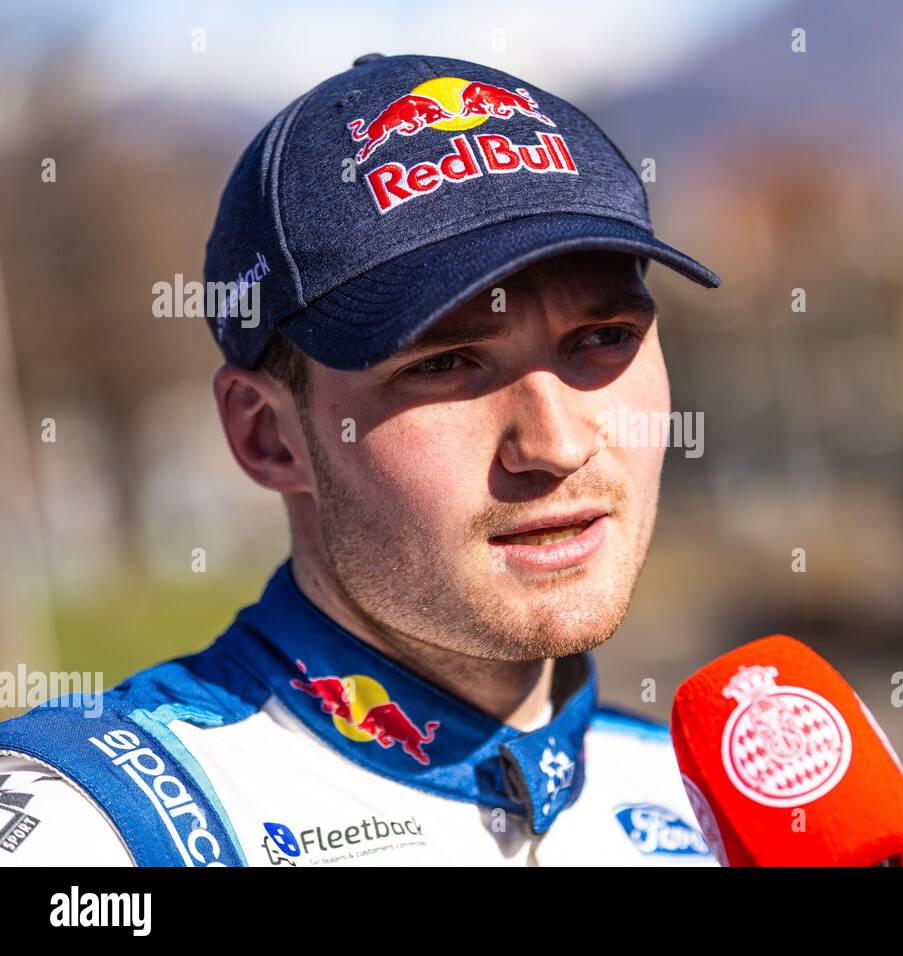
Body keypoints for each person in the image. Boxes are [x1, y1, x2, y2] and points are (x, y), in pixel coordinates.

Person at [0, 54, 721, 866]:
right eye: (444, 365)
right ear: (266, 436)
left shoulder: (710, 804)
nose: (554, 445)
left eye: (602, 340)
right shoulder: (90, 831)